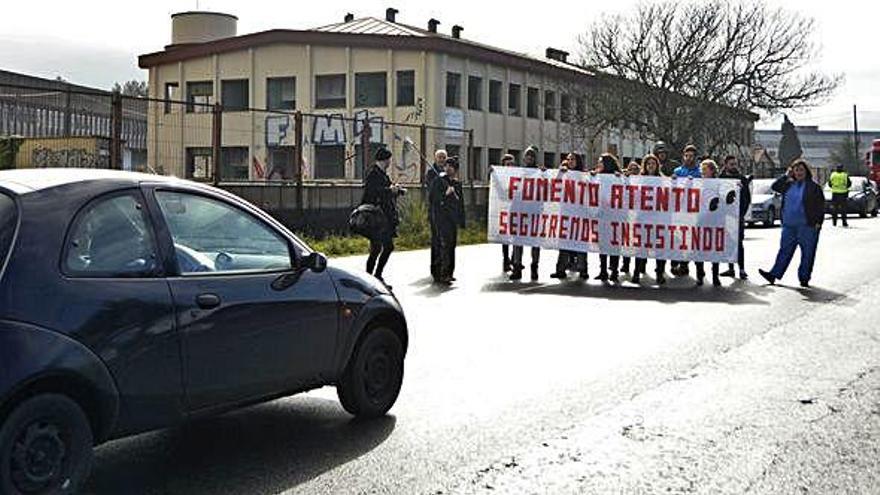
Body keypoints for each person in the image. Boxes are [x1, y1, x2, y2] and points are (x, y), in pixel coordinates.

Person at [759, 159, 825, 288]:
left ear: (806, 171)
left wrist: (818, 222)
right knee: (784, 251)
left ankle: (804, 277)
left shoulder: (813, 187)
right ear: (792, 172)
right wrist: (786, 176)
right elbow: (775, 187)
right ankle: (774, 274)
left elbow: (820, 206)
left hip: (808, 225)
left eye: (801, 170)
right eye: (796, 170)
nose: (799, 172)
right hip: (789, 225)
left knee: (807, 253)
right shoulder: (788, 185)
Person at [362, 147, 404, 288]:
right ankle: (371, 277)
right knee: (378, 248)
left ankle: (376, 276)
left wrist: (397, 190)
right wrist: (389, 190)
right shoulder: (373, 174)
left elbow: (386, 190)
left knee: (384, 247)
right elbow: (372, 193)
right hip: (375, 218)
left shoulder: (383, 174)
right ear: (384, 160)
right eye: (389, 160)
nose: (390, 163)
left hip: (384, 218)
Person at [551, 153, 589, 280]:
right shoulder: (563, 173)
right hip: (566, 213)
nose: (570, 161)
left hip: (581, 214)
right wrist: (560, 172)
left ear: (578, 161)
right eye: (568, 159)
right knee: (564, 243)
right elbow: (554, 185)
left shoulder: (584, 175)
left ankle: (583, 269)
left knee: (581, 243)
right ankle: (560, 269)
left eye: (573, 159)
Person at [429, 156, 466, 284]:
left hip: (452, 219)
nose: (448, 168)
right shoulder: (438, 181)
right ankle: (440, 272)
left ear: (455, 169)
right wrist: (445, 195)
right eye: (447, 166)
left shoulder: (457, 184)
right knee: (442, 245)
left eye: (451, 166)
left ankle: (449, 272)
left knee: (451, 245)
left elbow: (460, 203)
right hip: (440, 218)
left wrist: (462, 220)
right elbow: (432, 198)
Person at [510, 146, 544, 281]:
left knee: (535, 242)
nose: (529, 158)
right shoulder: (519, 172)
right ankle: (517, 267)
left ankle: (534, 267)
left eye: (532, 156)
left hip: (534, 212)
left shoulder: (540, 172)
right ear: (524, 158)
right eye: (527, 156)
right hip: (519, 211)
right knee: (518, 241)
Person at [633, 153, 668, 285]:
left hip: (658, 220)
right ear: (645, 166)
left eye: (653, 163)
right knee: (641, 248)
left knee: (660, 249)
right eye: (648, 164)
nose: (650, 166)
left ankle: (659, 273)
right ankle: (637, 272)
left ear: (657, 165)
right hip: (642, 219)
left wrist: (675, 181)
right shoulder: (639, 179)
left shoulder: (663, 180)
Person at [671, 144, 702, 277]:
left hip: (694, 211)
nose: (688, 158)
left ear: (695, 157)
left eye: (691, 156)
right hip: (679, 210)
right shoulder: (678, 171)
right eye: (686, 156)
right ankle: (677, 263)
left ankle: (688, 266)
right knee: (677, 237)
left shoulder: (699, 172)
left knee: (690, 239)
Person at [719, 155, 752, 279]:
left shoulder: (741, 179)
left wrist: (741, 214)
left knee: (738, 242)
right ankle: (730, 268)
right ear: (726, 164)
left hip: (737, 217)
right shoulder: (720, 178)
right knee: (727, 241)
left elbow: (746, 198)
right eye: (731, 164)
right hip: (724, 216)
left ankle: (742, 269)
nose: (734, 166)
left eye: (735, 164)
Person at [593, 153, 622, 282]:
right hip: (602, 215)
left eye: (601, 161)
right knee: (602, 244)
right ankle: (603, 270)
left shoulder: (617, 176)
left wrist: (621, 178)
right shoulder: (597, 176)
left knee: (614, 244)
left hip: (615, 216)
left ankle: (614, 270)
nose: (598, 164)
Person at [695, 160, 722, 287]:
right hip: (700, 220)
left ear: (712, 170)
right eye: (702, 169)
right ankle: (700, 274)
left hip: (714, 220)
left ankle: (715, 275)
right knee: (699, 248)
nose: (703, 172)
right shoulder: (697, 183)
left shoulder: (719, 183)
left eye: (705, 169)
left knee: (714, 249)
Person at [426, 149, 448, 280]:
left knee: (445, 241)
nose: (442, 160)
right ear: (435, 159)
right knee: (436, 240)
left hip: (446, 212)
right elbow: (431, 191)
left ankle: (444, 268)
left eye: (444, 157)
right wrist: (437, 179)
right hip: (435, 211)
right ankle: (435, 269)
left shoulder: (447, 172)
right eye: (440, 157)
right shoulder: (430, 173)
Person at [620, 160, 642, 274]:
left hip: (638, 216)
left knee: (638, 243)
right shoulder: (624, 179)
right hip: (626, 215)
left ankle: (639, 267)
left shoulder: (643, 180)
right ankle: (626, 264)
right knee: (626, 242)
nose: (633, 171)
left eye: (635, 169)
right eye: (631, 169)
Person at [494, 153, 516, 273]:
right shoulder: (501, 176)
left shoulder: (517, 175)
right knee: (505, 237)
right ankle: (506, 260)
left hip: (515, 209)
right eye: (508, 164)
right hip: (504, 209)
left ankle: (514, 259)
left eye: (512, 164)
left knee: (515, 236)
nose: (510, 166)